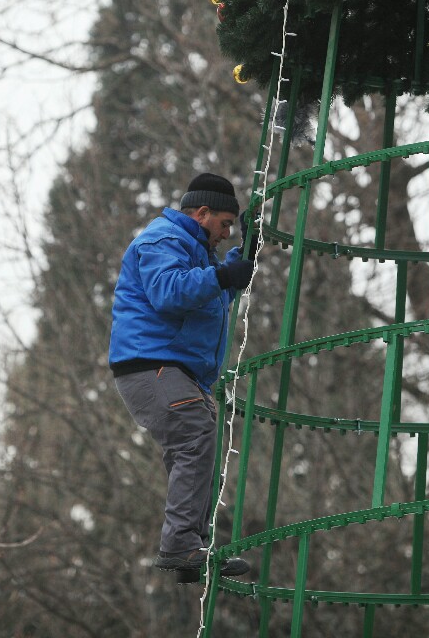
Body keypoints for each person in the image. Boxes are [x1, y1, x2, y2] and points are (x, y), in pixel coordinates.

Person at [110, 173, 256, 579]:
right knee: (194, 436)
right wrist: (222, 276)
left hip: (172, 370)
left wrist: (243, 256)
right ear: (202, 213)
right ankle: (180, 547)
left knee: (196, 447)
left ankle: (190, 549)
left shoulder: (195, 248)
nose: (226, 233)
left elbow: (210, 297)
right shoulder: (163, 240)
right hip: (152, 365)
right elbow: (169, 291)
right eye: (224, 224)